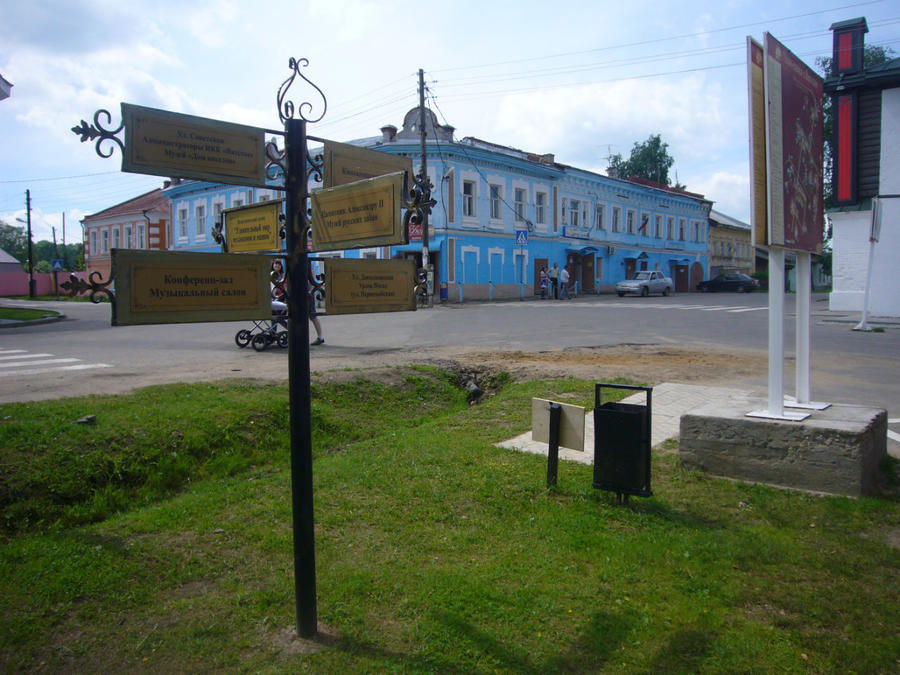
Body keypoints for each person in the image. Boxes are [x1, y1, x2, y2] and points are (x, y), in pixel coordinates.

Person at [307, 259, 325, 346]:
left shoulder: (310, 270)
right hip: (306, 293)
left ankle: (320, 337)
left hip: (308, 294)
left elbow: (310, 283)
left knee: (313, 316)